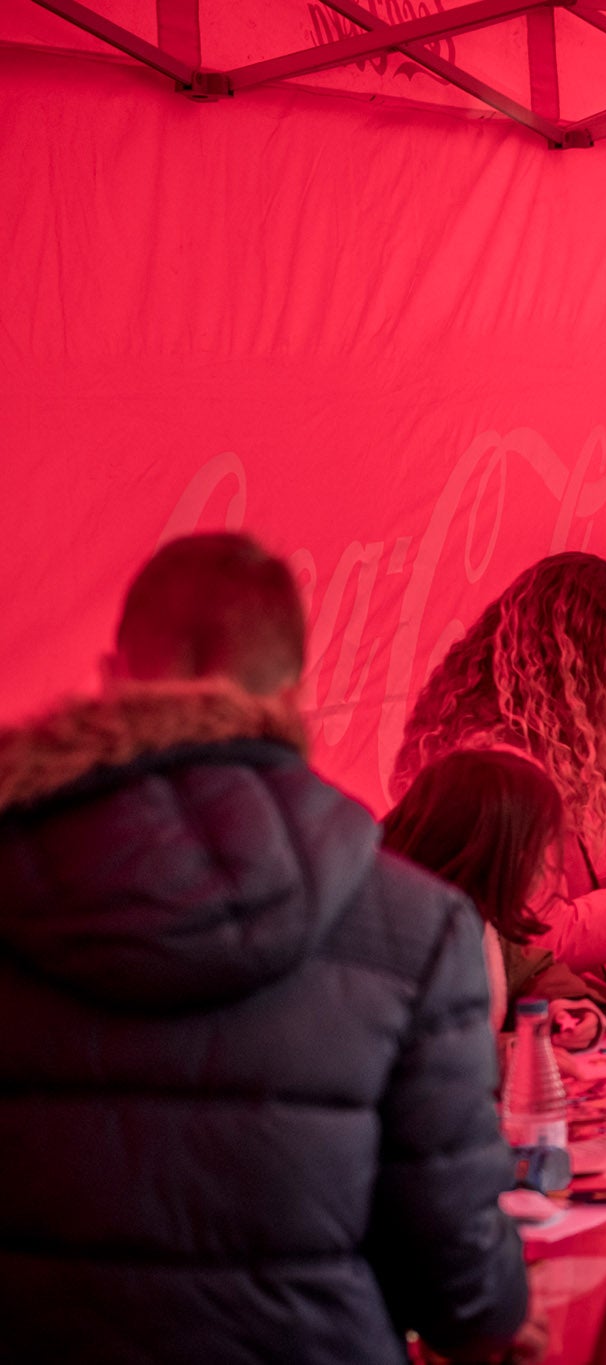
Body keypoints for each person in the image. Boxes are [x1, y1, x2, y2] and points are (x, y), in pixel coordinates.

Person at [0, 533, 529, 1364]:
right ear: (293, 696)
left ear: (111, 679)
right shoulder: (418, 924)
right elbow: (460, 1278)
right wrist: (494, 1313)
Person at [396, 552, 606, 972]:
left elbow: (563, 899)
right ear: (566, 670)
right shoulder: (503, 771)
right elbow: (543, 939)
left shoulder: (515, 750)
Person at [384, 747, 606, 1047]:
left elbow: (530, 970)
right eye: (537, 849)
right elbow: (408, 1055)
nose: (543, 867)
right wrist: (504, 1057)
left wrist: (564, 1006)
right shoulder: (389, 931)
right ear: (496, 851)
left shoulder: (473, 917)